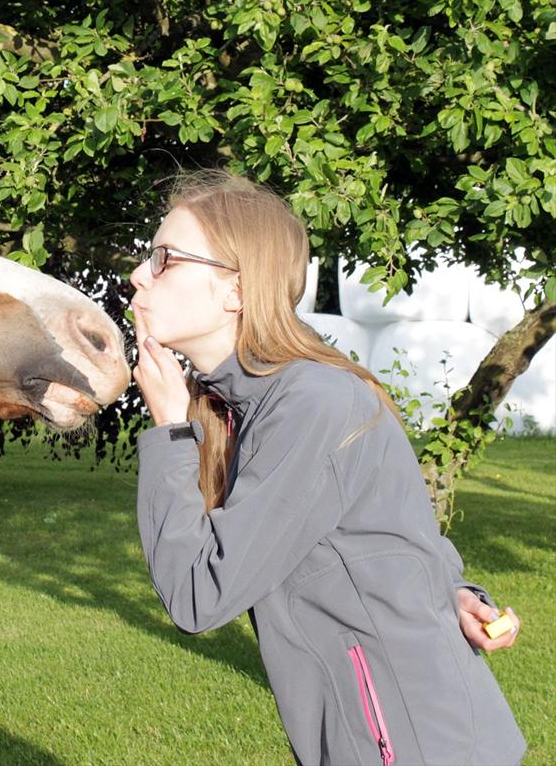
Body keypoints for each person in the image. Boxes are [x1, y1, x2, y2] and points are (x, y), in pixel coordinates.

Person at [129, 170, 525, 765]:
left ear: (236, 288)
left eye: (165, 258)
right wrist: (456, 592)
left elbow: (197, 594)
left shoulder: (311, 402)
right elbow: (390, 528)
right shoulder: (250, 403)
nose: (139, 273)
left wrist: (168, 433)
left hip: (407, 742)